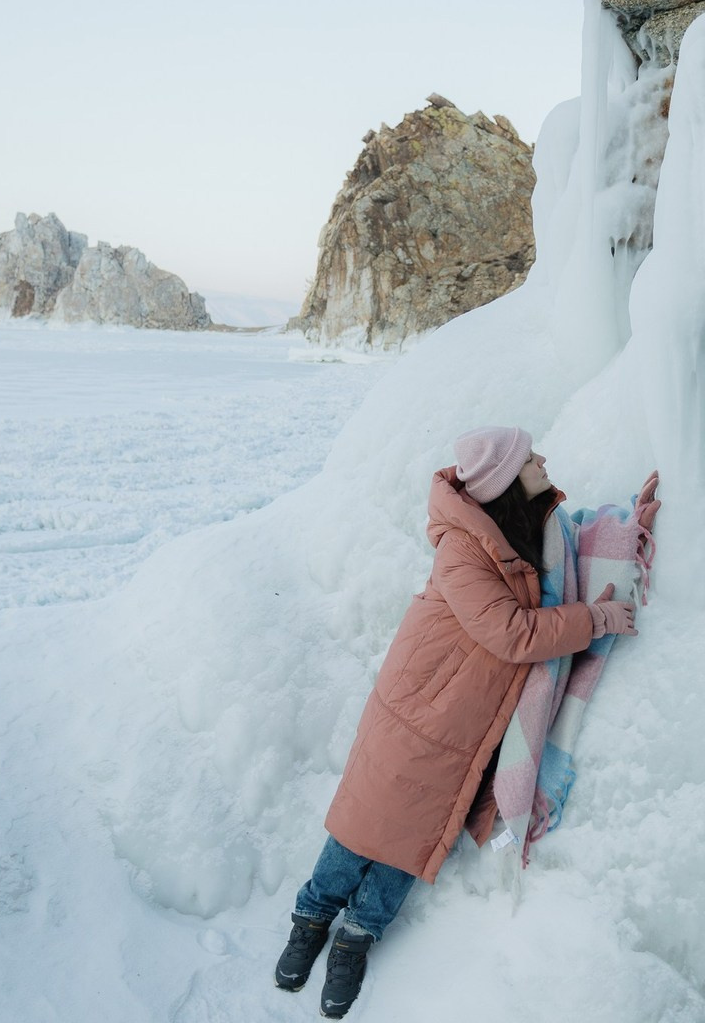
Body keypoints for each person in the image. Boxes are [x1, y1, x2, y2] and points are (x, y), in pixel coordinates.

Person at [274, 426, 660, 1018]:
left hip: (467, 727)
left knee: (416, 840)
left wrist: (630, 527)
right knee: (365, 824)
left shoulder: (530, 526)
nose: (543, 459)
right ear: (506, 479)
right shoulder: (462, 549)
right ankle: (311, 916)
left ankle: (356, 937)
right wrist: (597, 618)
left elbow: (573, 554)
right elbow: (513, 632)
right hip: (416, 715)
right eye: (531, 457)